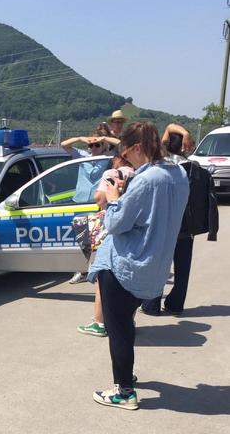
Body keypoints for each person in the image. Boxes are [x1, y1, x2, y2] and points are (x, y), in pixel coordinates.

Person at [88, 121, 189, 410]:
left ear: (136, 147)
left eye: (126, 155)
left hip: (126, 265)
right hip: (155, 266)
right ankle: (126, 373)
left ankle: (124, 391)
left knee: (118, 328)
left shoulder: (146, 180)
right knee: (126, 323)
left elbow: (116, 223)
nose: (127, 162)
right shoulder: (178, 174)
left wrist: (114, 198)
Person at [141, 124, 218, 315]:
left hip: (163, 226)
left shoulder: (159, 167)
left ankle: (151, 305)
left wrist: (184, 133)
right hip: (186, 228)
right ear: (185, 148)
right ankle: (175, 304)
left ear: (166, 145)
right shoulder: (195, 170)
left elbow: (168, 128)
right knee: (182, 270)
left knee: (158, 267)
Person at [77, 155, 134, 337]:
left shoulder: (112, 173)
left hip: (110, 227)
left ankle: (99, 323)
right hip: (131, 230)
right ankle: (128, 321)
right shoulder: (139, 173)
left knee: (103, 276)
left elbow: (100, 198)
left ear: (119, 157)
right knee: (127, 278)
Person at [61, 132, 112, 284]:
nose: (94, 148)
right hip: (80, 202)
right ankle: (82, 270)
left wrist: (103, 139)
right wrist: (80, 138)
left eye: (97, 145)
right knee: (81, 239)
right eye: (91, 145)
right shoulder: (83, 155)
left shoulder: (107, 157)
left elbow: (121, 145)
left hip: (96, 204)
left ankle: (96, 270)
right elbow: (64, 145)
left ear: (103, 146)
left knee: (97, 240)